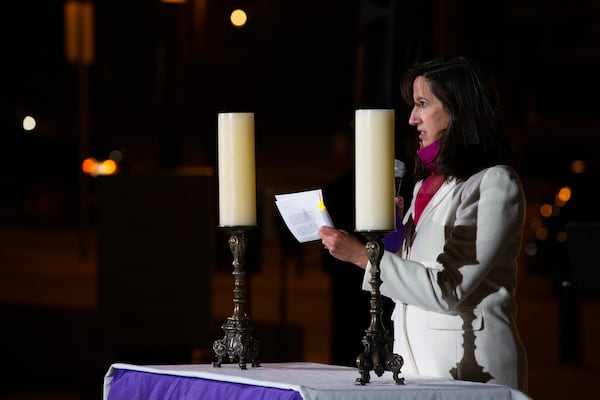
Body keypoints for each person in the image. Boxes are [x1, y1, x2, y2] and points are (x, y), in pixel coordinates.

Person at [318, 55, 528, 392]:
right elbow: (410, 276)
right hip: (414, 369)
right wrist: (390, 237)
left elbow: (448, 289)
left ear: (458, 109)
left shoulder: (494, 183)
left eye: (422, 104)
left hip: (471, 373)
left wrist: (362, 256)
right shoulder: (425, 185)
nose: (413, 118)